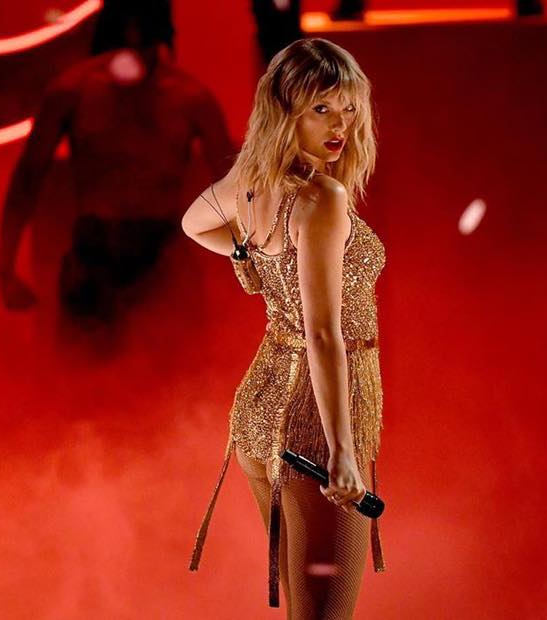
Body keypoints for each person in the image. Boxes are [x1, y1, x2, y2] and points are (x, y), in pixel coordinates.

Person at [182, 38, 386, 617]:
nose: (340, 124)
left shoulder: (252, 180)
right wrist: (341, 451)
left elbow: (195, 222)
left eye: (347, 107)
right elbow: (323, 333)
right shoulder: (321, 198)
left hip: (263, 406)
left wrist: (248, 256)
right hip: (311, 423)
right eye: (321, 108)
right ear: (285, 110)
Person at [0, 0, 234, 323]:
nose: (134, 36)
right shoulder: (73, 91)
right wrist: (5, 269)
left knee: (177, 349)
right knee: (87, 352)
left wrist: (252, 267)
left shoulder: (189, 98)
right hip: (94, 259)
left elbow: (233, 189)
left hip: (164, 260)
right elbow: (28, 178)